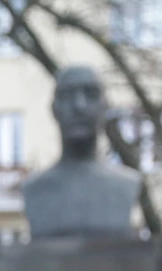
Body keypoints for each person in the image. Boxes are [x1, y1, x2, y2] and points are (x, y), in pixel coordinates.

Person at [22, 65, 143, 239]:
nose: (79, 105)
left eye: (90, 94)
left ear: (105, 107)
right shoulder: (35, 190)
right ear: (54, 109)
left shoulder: (126, 185)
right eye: (68, 95)